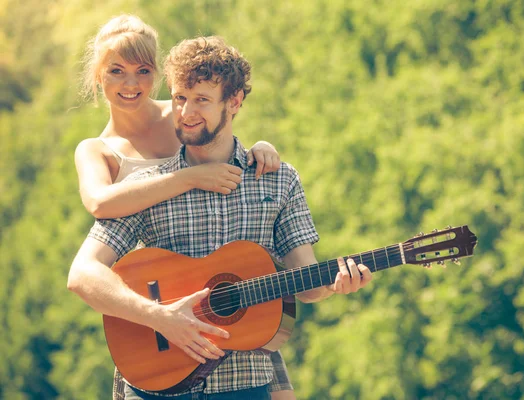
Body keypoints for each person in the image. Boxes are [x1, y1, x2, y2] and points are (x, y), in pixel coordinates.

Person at [67, 34, 372, 399]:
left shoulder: (277, 180)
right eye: (179, 98)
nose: (185, 112)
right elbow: (83, 275)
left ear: (235, 102)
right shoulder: (149, 187)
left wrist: (335, 284)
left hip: (245, 384)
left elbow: (306, 284)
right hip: (158, 383)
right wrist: (159, 317)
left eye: (201, 100)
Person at [74, 15, 293, 399]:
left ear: (158, 75)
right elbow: (99, 202)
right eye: (116, 71)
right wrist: (189, 178)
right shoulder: (98, 149)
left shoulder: (182, 113)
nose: (131, 84)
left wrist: (263, 150)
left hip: (231, 300)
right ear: (98, 76)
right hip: (163, 311)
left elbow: (225, 133)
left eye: (143, 71)